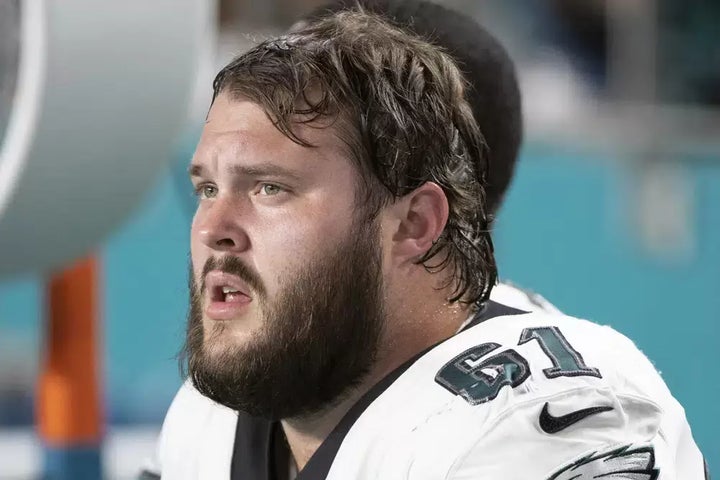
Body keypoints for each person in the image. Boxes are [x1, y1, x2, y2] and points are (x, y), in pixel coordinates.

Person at [140, 6, 707, 480]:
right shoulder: (210, 416)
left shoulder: (531, 425)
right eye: (207, 188)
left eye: (270, 188)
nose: (215, 226)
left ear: (414, 223)